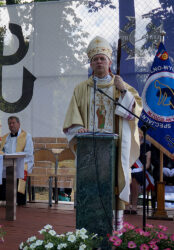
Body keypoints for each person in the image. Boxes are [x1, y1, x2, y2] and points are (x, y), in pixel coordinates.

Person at [63, 36, 142, 229]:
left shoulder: (120, 86)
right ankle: (89, 228)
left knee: (115, 185)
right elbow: (72, 117)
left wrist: (123, 91)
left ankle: (115, 230)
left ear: (109, 62)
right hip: (90, 148)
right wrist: (78, 128)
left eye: (102, 58)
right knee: (91, 186)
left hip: (114, 149)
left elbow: (135, 112)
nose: (99, 61)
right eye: (95, 59)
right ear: (90, 64)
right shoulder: (81, 89)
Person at [0, 116, 34, 206]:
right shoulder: (5, 137)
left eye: (13, 123)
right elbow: (1, 150)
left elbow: (28, 153)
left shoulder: (27, 136)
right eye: (9, 123)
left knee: (19, 169)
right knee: (0, 169)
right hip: (7, 162)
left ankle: (20, 200)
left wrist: (16, 160)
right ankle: (4, 198)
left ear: (19, 124)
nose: (11, 125)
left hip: (22, 162)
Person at [125, 134, 152, 214]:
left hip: (140, 170)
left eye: (140, 133)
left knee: (135, 179)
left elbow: (148, 163)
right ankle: (126, 205)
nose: (138, 135)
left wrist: (140, 169)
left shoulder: (146, 146)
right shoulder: (129, 144)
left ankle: (134, 206)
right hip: (128, 168)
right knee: (126, 178)